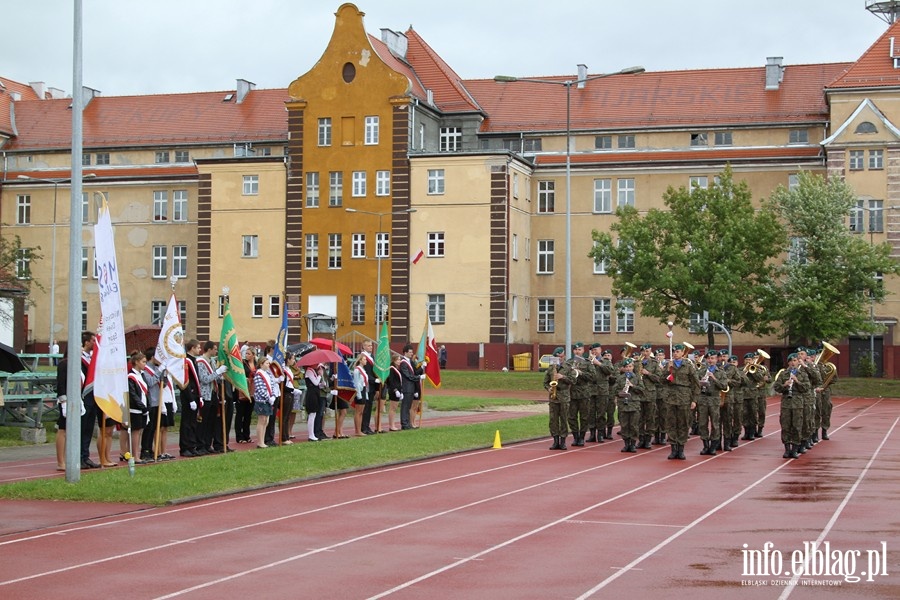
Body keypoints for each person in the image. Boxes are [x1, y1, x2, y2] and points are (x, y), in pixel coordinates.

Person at [663, 343, 699, 460]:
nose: (675, 353)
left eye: (678, 351)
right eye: (674, 352)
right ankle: (673, 449)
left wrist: (694, 400)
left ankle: (681, 448)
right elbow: (662, 381)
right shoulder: (670, 365)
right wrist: (668, 370)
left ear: (683, 353)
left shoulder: (688, 365)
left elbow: (695, 383)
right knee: (671, 423)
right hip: (671, 397)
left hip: (684, 397)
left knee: (683, 423)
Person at [774, 353, 810, 459]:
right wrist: (784, 385)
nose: (793, 363)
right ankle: (787, 449)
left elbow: (806, 388)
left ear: (798, 362)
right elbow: (776, 387)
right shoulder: (783, 373)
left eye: (795, 360)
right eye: (791, 361)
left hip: (798, 403)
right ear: (788, 362)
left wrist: (797, 381)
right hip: (786, 404)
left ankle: (795, 449)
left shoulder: (802, 374)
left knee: (797, 426)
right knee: (785, 426)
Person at [196, 341, 229, 453]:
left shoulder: (212, 361)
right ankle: (201, 445)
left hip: (214, 394)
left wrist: (221, 375)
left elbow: (215, 377)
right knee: (203, 422)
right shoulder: (200, 362)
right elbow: (205, 379)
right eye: (214, 349)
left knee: (211, 422)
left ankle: (207, 444)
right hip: (205, 395)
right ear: (209, 349)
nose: (216, 351)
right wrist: (217, 372)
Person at [78, 331, 101, 469]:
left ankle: (85, 456)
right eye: (93, 341)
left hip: (93, 396)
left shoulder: (93, 358)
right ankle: (79, 456)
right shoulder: (79, 358)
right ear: (86, 342)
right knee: (82, 428)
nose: (95, 343)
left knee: (89, 428)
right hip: (83, 396)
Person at [696, 352, 726, 456]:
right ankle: (705, 445)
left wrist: (713, 378)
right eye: (708, 358)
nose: (710, 360)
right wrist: (701, 382)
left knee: (715, 423)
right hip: (703, 399)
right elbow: (696, 384)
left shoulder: (721, 372)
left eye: (712, 358)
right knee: (702, 423)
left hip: (714, 399)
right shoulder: (702, 370)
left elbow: (724, 386)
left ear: (717, 359)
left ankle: (713, 446)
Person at [565, 342, 594, 447]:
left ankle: (582, 437)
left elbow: (592, 377)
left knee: (584, 417)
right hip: (572, 393)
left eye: (580, 350)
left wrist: (581, 373)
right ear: (573, 351)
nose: (577, 351)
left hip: (583, 393)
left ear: (583, 351)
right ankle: (575, 436)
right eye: (576, 350)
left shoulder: (587, 363)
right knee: (571, 417)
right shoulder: (569, 362)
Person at [179, 339, 204, 457]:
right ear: (192, 348)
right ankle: (184, 447)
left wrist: (199, 397)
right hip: (188, 396)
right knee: (186, 423)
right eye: (198, 347)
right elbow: (185, 381)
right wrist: (190, 399)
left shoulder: (193, 360)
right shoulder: (186, 361)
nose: (199, 350)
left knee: (193, 423)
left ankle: (192, 445)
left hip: (195, 395)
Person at [614, 358, 643, 452]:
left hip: (634, 404)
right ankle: (626, 444)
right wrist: (620, 392)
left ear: (633, 367)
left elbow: (642, 390)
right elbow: (615, 390)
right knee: (625, 425)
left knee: (634, 425)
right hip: (623, 404)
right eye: (626, 367)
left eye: (630, 366)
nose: (628, 368)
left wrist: (632, 386)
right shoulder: (620, 378)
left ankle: (633, 443)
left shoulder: (637, 377)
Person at [126, 350, 151, 464]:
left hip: (143, 408)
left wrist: (147, 406)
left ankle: (136, 454)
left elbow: (146, 392)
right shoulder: (131, 376)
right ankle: (134, 455)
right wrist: (141, 406)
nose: (145, 364)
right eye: (143, 362)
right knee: (135, 432)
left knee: (140, 431)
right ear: (136, 362)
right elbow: (133, 394)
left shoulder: (142, 375)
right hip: (135, 409)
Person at [586, 343, 614, 443]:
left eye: (596, 350)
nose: (594, 352)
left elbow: (610, 371)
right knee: (591, 413)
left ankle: (601, 434)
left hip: (602, 390)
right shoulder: (588, 361)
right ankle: (592, 434)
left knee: (601, 413)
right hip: (591, 390)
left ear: (600, 350)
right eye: (592, 350)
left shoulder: (605, 361)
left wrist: (598, 363)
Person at [543, 346, 569, 450]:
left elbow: (573, 380)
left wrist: (563, 377)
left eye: (560, 356)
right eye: (556, 357)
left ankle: (563, 441)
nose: (559, 359)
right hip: (553, 397)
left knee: (563, 419)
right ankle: (555, 441)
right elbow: (545, 382)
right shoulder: (550, 368)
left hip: (564, 396)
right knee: (553, 420)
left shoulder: (568, 367)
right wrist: (548, 388)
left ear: (564, 356)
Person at [637, 343, 662, 449]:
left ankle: (648, 439)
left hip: (650, 394)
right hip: (639, 394)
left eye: (647, 351)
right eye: (643, 351)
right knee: (639, 419)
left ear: (650, 351)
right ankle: (641, 439)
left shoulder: (654, 363)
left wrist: (648, 374)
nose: (645, 353)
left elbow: (659, 379)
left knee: (650, 418)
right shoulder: (636, 363)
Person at [399, 343, 424, 430]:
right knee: (405, 406)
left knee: (408, 406)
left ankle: (408, 423)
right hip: (406, 387)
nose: (411, 354)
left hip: (411, 387)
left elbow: (416, 372)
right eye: (410, 352)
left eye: (412, 352)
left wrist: (422, 367)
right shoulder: (403, 363)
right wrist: (419, 377)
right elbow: (408, 375)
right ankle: (404, 424)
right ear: (405, 353)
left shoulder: (410, 362)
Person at [252, 356, 276, 448]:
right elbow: (260, 389)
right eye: (267, 363)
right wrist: (268, 397)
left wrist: (273, 396)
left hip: (269, 400)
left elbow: (272, 386)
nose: (268, 365)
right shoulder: (258, 375)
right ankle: (260, 442)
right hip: (261, 400)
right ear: (261, 364)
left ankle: (262, 441)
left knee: (266, 421)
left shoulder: (268, 374)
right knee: (262, 420)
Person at [235, 345, 256, 444]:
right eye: (246, 353)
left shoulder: (256, 364)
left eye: (248, 354)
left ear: (253, 355)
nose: (246, 355)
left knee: (248, 415)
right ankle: (239, 436)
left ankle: (247, 435)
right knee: (240, 414)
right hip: (243, 391)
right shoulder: (243, 364)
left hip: (252, 391)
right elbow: (239, 374)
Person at [358, 340, 378, 435]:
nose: (371, 347)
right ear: (364, 346)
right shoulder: (362, 357)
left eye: (371, 345)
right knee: (365, 408)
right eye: (369, 346)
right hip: (366, 385)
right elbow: (364, 373)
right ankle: (363, 427)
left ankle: (367, 426)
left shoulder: (372, 357)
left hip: (372, 386)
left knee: (369, 407)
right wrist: (374, 380)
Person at [304, 363, 326, 441]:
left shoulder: (313, 371)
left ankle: (312, 434)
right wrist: (320, 375)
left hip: (315, 394)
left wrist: (321, 384)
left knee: (314, 414)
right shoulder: (309, 371)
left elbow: (317, 384)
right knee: (312, 414)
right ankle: (311, 434)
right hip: (311, 395)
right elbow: (315, 383)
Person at [385, 355, 403, 431]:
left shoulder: (397, 368)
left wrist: (401, 391)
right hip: (393, 391)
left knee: (395, 408)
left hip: (398, 390)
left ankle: (393, 424)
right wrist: (395, 390)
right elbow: (391, 381)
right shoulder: (392, 369)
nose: (399, 361)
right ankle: (391, 425)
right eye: (398, 360)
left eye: (399, 360)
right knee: (392, 408)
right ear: (394, 360)